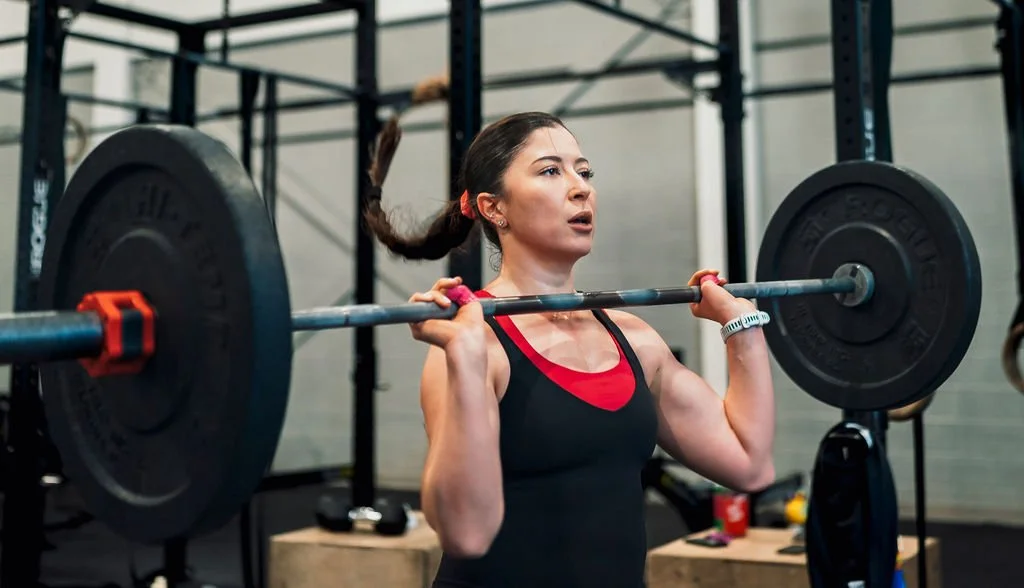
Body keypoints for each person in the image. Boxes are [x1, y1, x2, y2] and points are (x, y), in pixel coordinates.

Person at [362, 111, 776, 588]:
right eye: (550, 170)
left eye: (584, 171)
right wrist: (466, 363)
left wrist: (741, 324)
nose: (581, 188)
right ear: (494, 208)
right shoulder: (475, 343)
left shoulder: (634, 340)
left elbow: (749, 463)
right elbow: (466, 536)